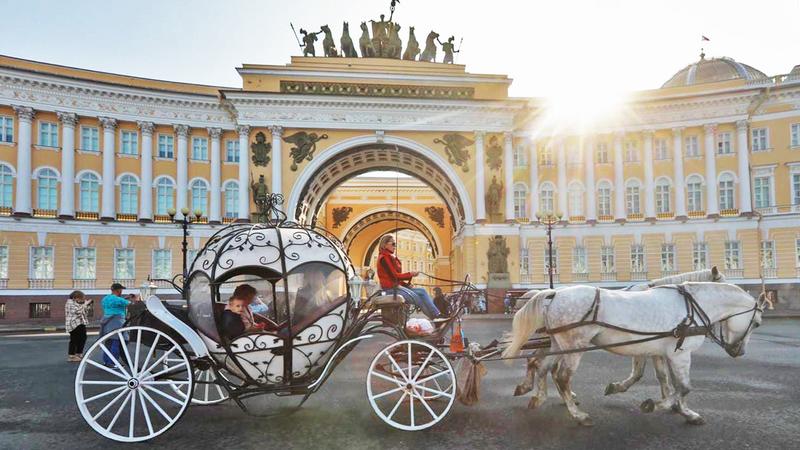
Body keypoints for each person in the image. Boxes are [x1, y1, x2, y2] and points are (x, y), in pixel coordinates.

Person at [376, 234, 442, 319]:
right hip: (390, 290)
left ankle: (437, 314)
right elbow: (394, 276)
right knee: (416, 298)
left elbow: (394, 278)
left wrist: (406, 284)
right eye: (393, 244)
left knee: (422, 291)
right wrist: (410, 274)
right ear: (385, 245)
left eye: (395, 244)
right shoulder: (384, 258)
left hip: (396, 287)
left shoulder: (390, 257)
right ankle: (436, 318)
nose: (395, 246)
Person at [100, 283, 139, 366]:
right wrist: (135, 298)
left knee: (109, 342)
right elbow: (132, 304)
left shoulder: (105, 298)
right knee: (117, 342)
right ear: (118, 290)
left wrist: (126, 298)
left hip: (107, 322)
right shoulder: (119, 300)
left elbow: (115, 303)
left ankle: (106, 361)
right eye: (121, 289)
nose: (121, 291)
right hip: (117, 321)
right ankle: (113, 362)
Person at [66, 290, 91, 362]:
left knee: (82, 338)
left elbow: (83, 312)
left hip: (80, 323)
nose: (82, 300)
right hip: (74, 324)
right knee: (74, 340)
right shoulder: (70, 303)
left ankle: (79, 354)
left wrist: (86, 306)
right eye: (81, 298)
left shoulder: (76, 303)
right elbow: (77, 311)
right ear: (75, 298)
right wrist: (85, 304)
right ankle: (71, 356)